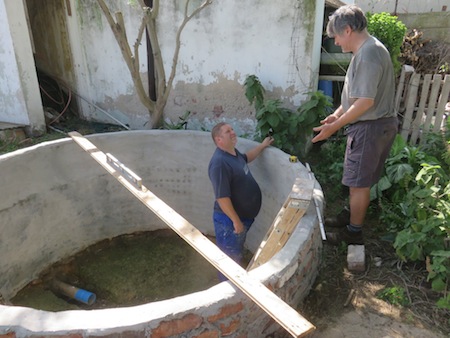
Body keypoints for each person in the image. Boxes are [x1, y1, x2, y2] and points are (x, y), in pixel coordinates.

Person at [312, 5, 398, 245]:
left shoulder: (369, 55)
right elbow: (355, 96)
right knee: (360, 179)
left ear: (348, 30)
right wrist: (337, 114)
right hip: (376, 125)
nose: (336, 43)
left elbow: (365, 102)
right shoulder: (367, 50)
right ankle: (351, 215)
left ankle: (353, 232)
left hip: (370, 127)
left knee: (358, 184)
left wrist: (335, 126)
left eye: (336, 37)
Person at [208, 122, 274, 280]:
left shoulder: (233, 154)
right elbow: (222, 197)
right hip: (228, 222)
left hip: (240, 218)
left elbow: (246, 158)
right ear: (219, 140)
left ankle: (235, 276)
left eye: (232, 129)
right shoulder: (219, 163)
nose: (232, 132)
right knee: (227, 259)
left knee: (234, 251)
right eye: (227, 131)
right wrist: (236, 222)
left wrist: (262, 146)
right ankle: (227, 288)